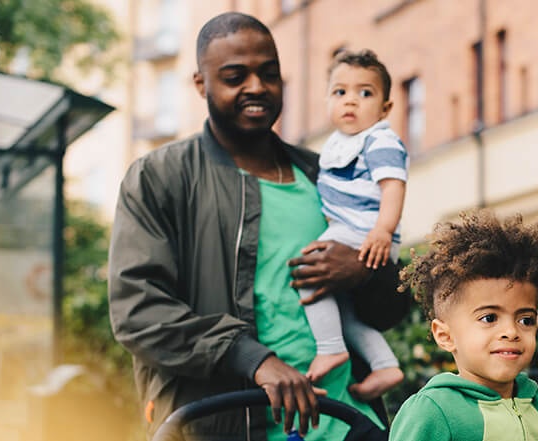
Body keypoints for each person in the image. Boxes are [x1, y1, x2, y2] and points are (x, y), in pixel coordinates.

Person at [107, 12, 408, 441]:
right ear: (200, 84)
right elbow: (138, 311)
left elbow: (390, 309)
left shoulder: (325, 173)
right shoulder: (160, 178)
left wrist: (364, 272)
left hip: (348, 424)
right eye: (235, 77)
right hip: (224, 425)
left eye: (269, 74)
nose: (256, 87)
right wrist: (254, 359)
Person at [390, 210, 538, 441]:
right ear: (445, 336)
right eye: (489, 318)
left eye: (525, 320)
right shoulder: (433, 412)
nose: (511, 332)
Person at [297, 49, 405, 401]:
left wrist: (383, 230)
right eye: (340, 92)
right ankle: (384, 364)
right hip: (354, 230)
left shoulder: (379, 139)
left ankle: (330, 348)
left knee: (309, 270)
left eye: (365, 93)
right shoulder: (339, 145)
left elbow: (392, 186)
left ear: (385, 109)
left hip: (364, 231)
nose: (350, 101)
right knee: (344, 312)